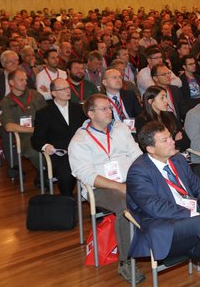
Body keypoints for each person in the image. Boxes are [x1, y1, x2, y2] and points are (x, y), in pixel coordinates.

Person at [68, 94, 144, 283]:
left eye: (109, 107)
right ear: (91, 114)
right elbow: (87, 176)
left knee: (160, 191)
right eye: (104, 109)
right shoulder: (79, 141)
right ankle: (125, 261)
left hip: (129, 180)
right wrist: (119, 186)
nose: (110, 111)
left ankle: (155, 244)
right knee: (125, 206)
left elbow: (136, 154)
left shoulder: (120, 129)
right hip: (100, 188)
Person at [126, 122, 200, 270]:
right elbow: (156, 207)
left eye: (170, 137)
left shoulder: (178, 159)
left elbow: (199, 187)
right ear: (150, 149)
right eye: (165, 140)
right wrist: (195, 214)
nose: (173, 142)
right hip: (167, 230)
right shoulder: (138, 171)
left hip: (195, 224)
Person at [32, 78, 87, 196]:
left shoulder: (78, 109)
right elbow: (36, 139)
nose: (68, 91)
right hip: (61, 154)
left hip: (81, 152)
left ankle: (98, 206)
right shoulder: (44, 113)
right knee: (67, 176)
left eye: (68, 88)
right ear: (53, 93)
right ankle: (68, 202)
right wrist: (46, 146)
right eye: (63, 89)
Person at [0, 69, 48, 175]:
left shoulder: (35, 95)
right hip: (25, 137)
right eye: (21, 80)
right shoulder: (5, 102)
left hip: (44, 132)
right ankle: (46, 172)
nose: (25, 82)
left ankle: (55, 171)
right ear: (11, 82)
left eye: (25, 79)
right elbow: (9, 126)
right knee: (35, 152)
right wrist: (33, 130)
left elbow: (47, 115)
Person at [136, 85, 189, 151]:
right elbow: (147, 147)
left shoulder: (170, 115)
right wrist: (174, 141)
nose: (166, 101)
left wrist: (167, 143)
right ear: (150, 101)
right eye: (162, 98)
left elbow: (186, 141)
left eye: (166, 97)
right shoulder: (142, 120)